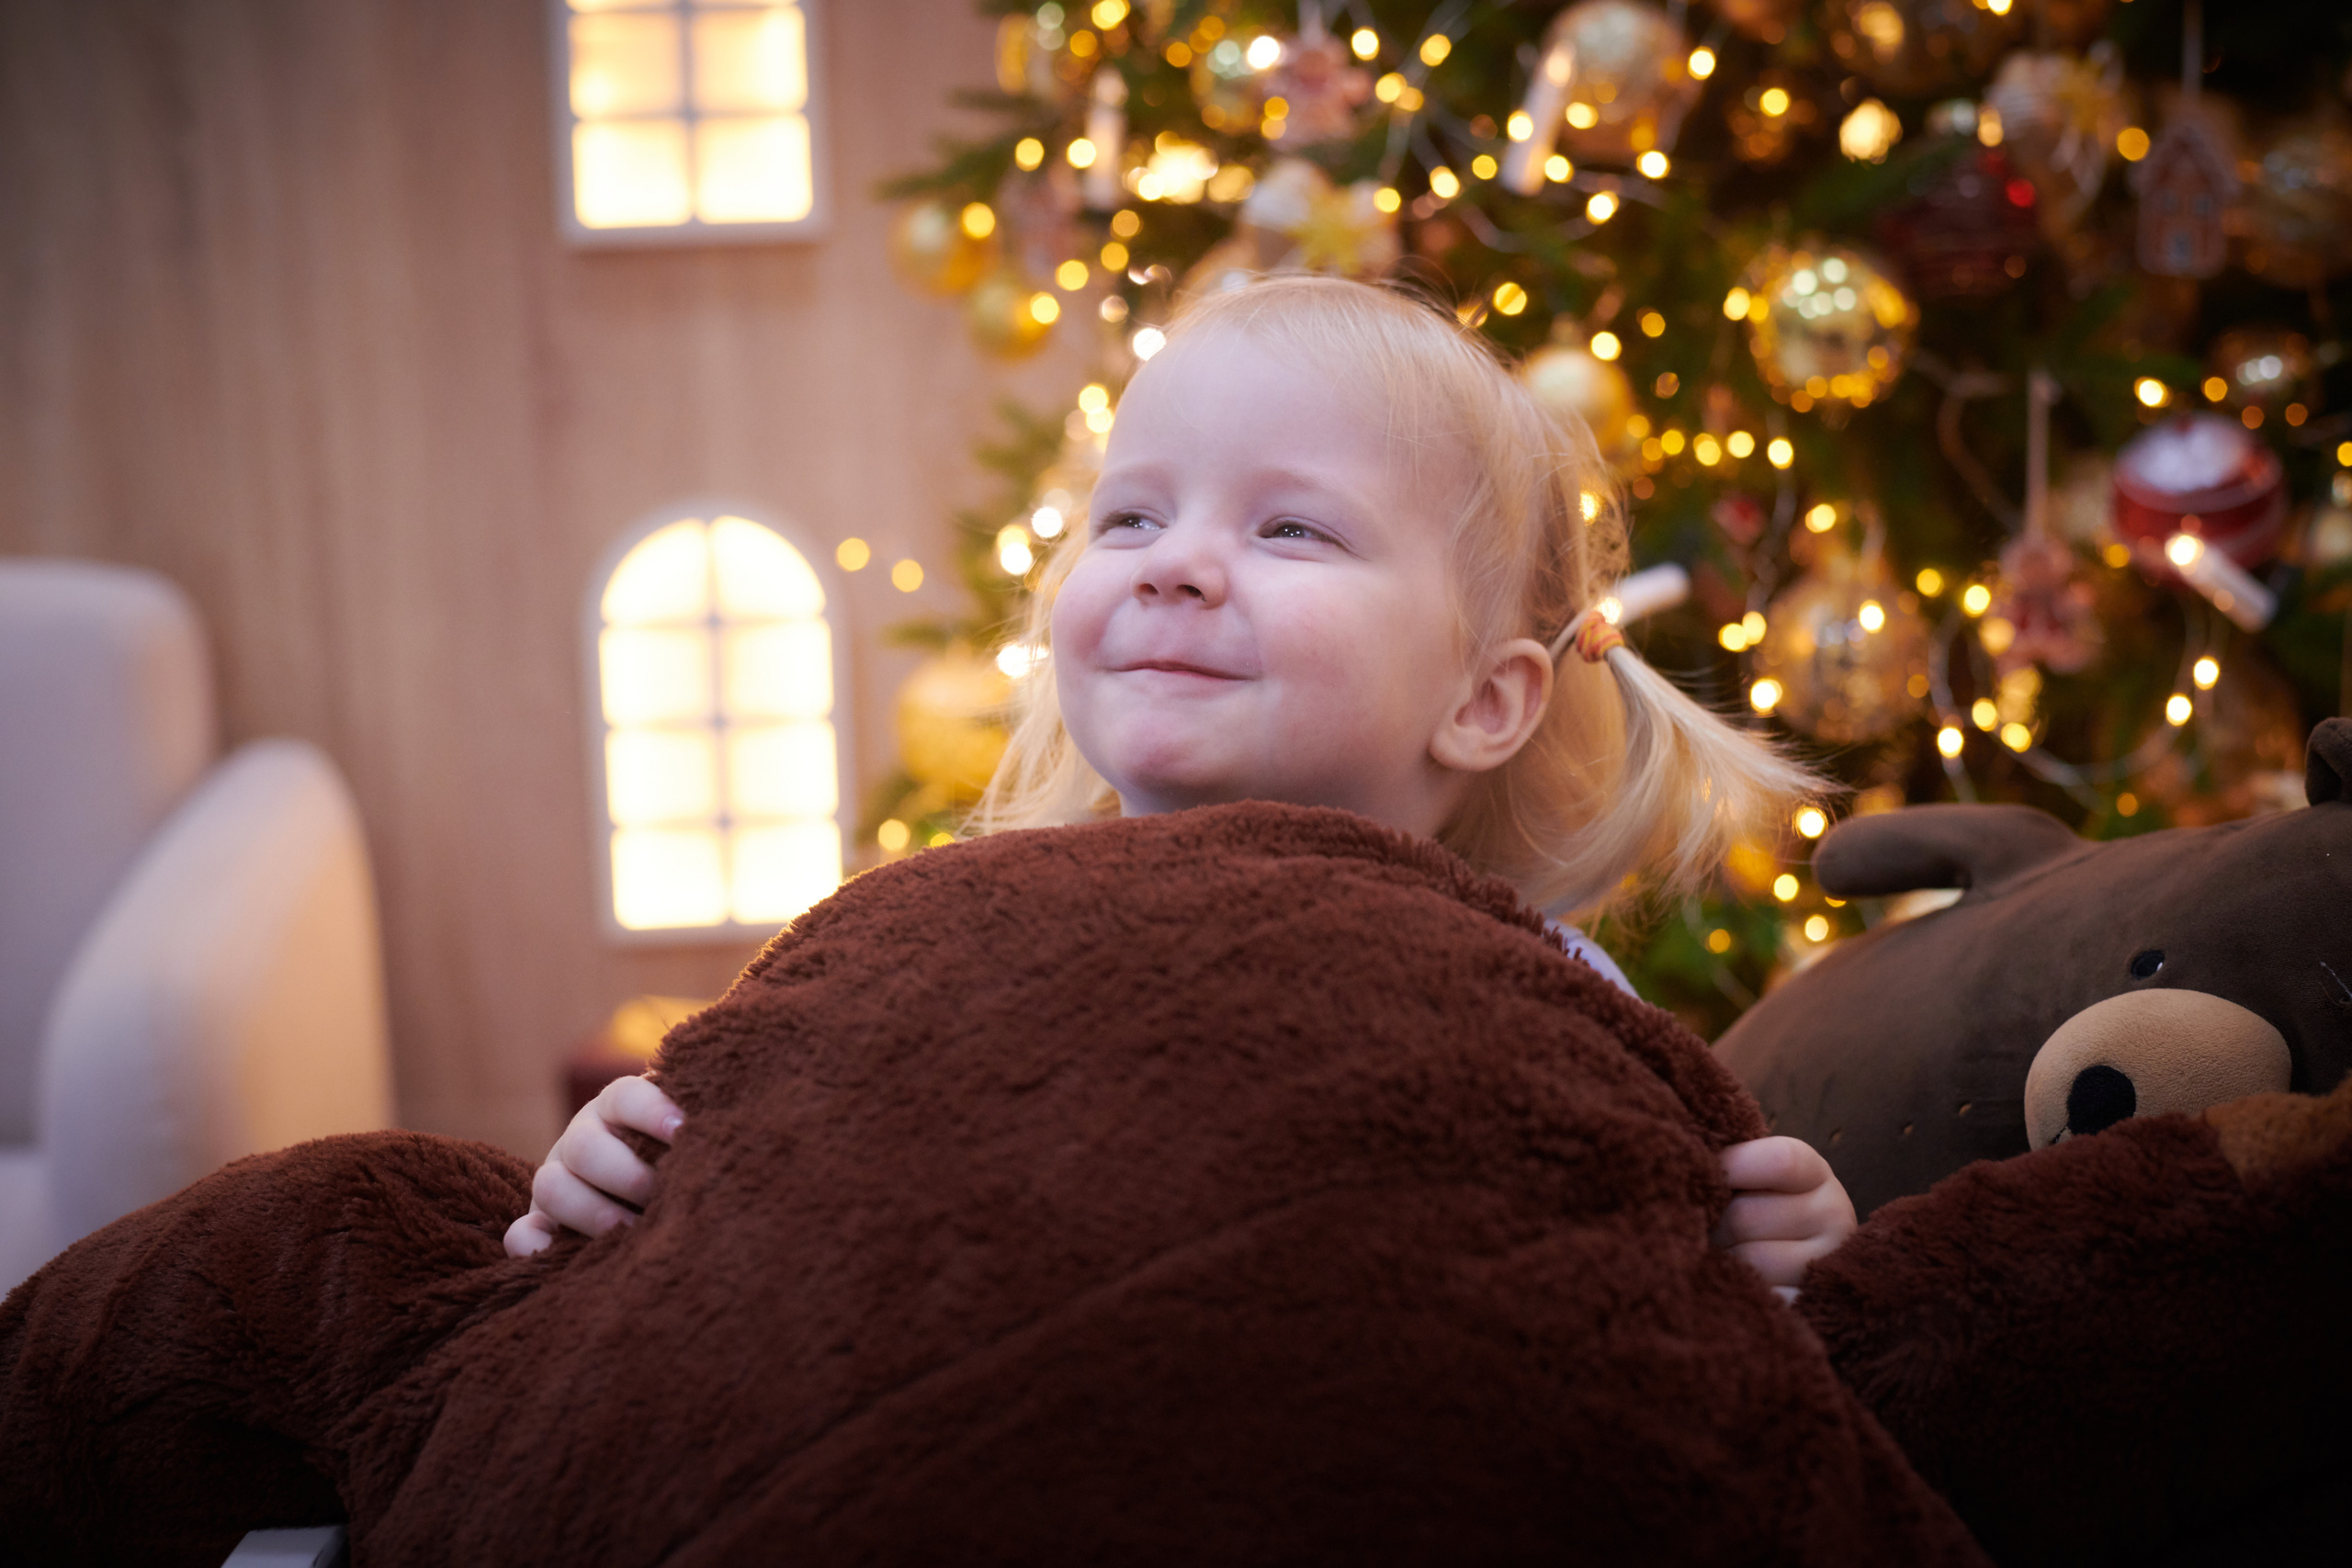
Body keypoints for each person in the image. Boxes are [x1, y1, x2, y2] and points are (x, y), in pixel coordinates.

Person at [506, 275, 1856, 1296]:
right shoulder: (960, 930)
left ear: (1484, 699)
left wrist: (1786, 1255)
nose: (1173, 562)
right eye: (1133, 516)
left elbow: (1665, 1281)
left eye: (1290, 527)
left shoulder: (1550, 988)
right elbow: (802, 1136)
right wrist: (629, 1166)